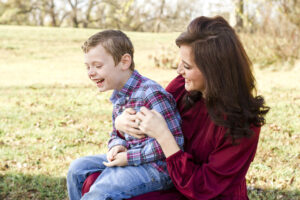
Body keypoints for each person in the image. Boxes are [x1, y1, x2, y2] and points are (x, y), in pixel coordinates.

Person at [81, 16, 270, 200]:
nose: (179, 70)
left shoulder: (242, 124)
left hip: (201, 193)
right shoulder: (183, 86)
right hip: (172, 179)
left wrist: (165, 137)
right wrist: (122, 122)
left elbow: (202, 188)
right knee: (91, 179)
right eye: (180, 61)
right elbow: (150, 120)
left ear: (213, 70)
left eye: (187, 66)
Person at [67, 30, 184, 200]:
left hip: (158, 168)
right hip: (132, 156)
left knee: (102, 190)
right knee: (77, 168)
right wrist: (117, 146)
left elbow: (174, 143)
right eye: (88, 67)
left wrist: (129, 157)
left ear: (124, 62)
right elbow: (117, 133)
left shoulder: (151, 93)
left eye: (98, 66)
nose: (90, 73)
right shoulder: (119, 94)